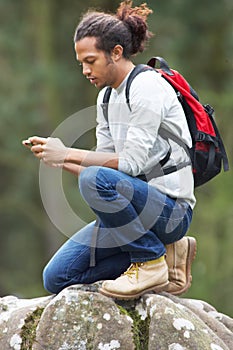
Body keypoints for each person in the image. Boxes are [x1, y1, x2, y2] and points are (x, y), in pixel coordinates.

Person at [23, 0, 196, 300]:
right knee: (57, 277)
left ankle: (149, 260)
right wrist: (58, 160)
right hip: (134, 209)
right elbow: (104, 170)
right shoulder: (106, 98)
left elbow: (129, 164)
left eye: (90, 61)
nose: (85, 70)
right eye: (81, 63)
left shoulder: (147, 87)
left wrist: (68, 153)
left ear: (116, 52)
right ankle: (166, 256)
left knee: (92, 181)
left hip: (170, 212)